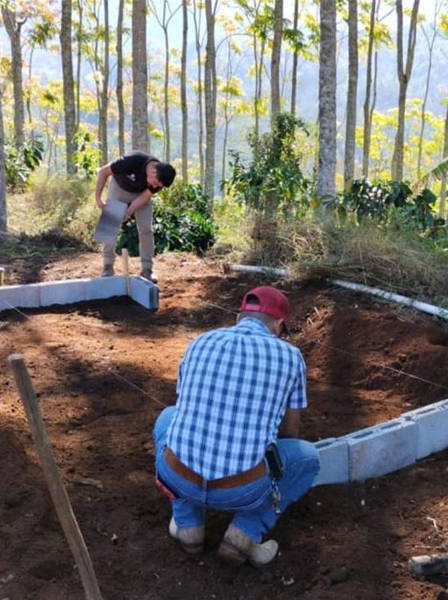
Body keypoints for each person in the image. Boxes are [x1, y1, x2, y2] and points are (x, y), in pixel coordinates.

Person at [152, 286, 320, 566]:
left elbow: (185, 409)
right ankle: (244, 533)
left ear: (239, 317)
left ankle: (188, 525)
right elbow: (289, 434)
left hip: (178, 476)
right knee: (307, 458)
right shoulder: (291, 357)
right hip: (242, 491)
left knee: (168, 418)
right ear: (278, 325)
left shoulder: (200, 342)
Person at [94, 151, 176, 282]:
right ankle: (107, 266)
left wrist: (128, 212)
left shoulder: (160, 179)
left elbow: (145, 196)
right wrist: (98, 198)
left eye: (158, 186)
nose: (155, 186)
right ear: (153, 171)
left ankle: (147, 270)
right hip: (119, 189)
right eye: (155, 183)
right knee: (110, 225)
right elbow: (103, 172)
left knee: (146, 230)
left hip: (140, 194)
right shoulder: (132, 161)